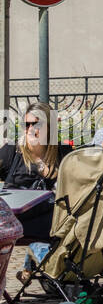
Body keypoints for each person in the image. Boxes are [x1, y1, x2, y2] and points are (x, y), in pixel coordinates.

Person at [0, 102, 69, 241]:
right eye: (27, 124)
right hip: (17, 224)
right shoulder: (12, 152)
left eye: (36, 124)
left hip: (54, 224)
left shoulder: (63, 154)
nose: (30, 129)